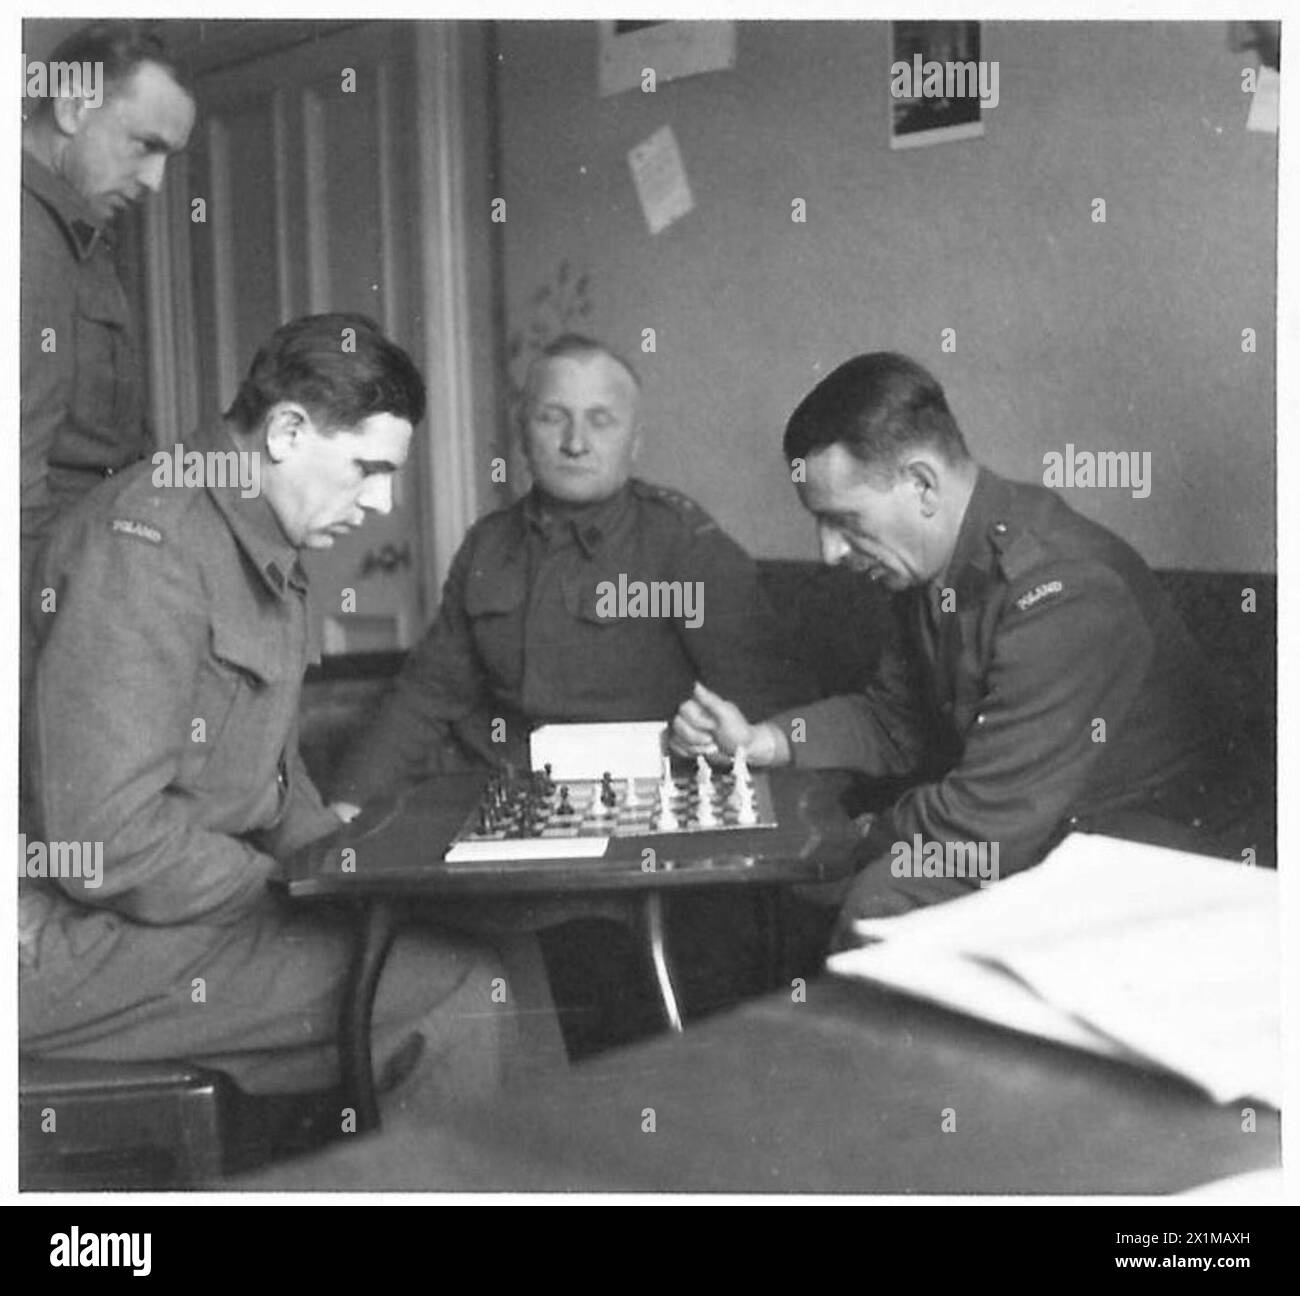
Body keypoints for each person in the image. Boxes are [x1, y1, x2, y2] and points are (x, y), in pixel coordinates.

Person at [22, 314, 526, 1114]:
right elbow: (103, 843)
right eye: (366, 468)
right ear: (287, 430)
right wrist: (296, 884)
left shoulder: (254, 540)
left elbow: (270, 785)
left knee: (481, 953)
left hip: (161, 915)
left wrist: (348, 865)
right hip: (61, 945)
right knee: (462, 990)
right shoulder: (147, 548)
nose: (382, 502)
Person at [672, 352, 1253, 940]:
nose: (830, 553)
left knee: (880, 900)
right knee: (825, 886)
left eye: (844, 520)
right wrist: (764, 741)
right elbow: (894, 722)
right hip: (1047, 831)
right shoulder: (932, 563)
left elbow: (983, 826)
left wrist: (849, 838)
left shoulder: (1065, 589)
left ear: (922, 484)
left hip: (1160, 857)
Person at [330, 333, 802, 814]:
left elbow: (757, 707)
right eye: (553, 417)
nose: (575, 443)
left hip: (633, 807)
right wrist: (347, 805)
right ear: (522, 435)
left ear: (635, 441)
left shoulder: (684, 547)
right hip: (502, 799)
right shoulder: (488, 547)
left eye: (601, 421)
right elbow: (426, 694)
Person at [21, 21, 195, 606]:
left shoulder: (71, 232)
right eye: (145, 146)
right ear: (73, 106)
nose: (155, 181)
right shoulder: (25, 238)